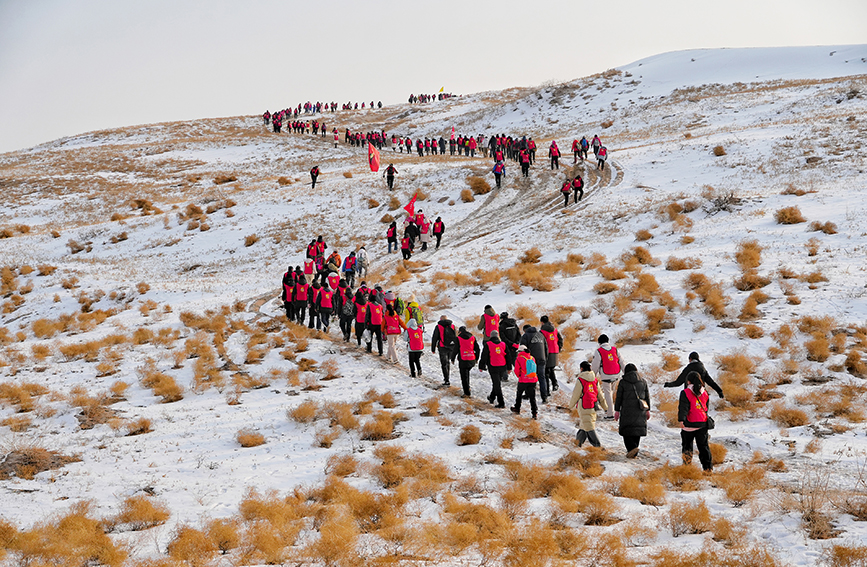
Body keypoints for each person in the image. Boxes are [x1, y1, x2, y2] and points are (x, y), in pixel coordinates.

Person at [614, 363, 651, 458]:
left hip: (627, 410)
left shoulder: (623, 382)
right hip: (640, 409)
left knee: (626, 430)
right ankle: (634, 449)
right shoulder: (643, 381)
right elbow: (647, 397)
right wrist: (648, 410)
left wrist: (617, 410)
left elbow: (619, 397)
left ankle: (632, 448)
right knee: (637, 429)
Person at [678, 371, 713, 472]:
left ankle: (687, 467)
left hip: (689, 424)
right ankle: (708, 468)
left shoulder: (685, 393)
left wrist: (681, 420)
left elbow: (683, 408)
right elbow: (706, 408)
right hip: (702, 423)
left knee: (687, 447)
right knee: (703, 447)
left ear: (688, 381)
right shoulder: (705, 393)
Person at [569, 361, 607, 447]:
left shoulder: (581, 380)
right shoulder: (595, 380)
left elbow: (576, 395)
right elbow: (600, 395)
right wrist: (605, 407)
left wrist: (570, 406)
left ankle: (597, 446)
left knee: (589, 427)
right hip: (593, 405)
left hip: (583, 405)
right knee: (584, 424)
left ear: (581, 369)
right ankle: (578, 443)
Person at [591, 334, 622, 420]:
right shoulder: (615, 349)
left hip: (606, 375)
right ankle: (616, 412)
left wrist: (592, 376)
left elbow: (595, 365)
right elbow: (621, 361)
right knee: (613, 393)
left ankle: (610, 414)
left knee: (608, 394)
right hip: (616, 374)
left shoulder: (599, 351)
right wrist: (626, 372)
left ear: (599, 343)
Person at [520, 324, 549, 403]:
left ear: (525, 330)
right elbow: (546, 348)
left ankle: (528, 394)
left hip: (531, 360)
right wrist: (545, 359)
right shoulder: (540, 335)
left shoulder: (525, 336)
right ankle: (544, 397)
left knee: (529, 376)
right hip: (542, 359)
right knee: (542, 378)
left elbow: (523, 349)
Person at [478, 330, 508, 408]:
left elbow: (484, 356)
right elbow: (508, 356)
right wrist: (509, 367)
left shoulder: (488, 344)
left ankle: (501, 403)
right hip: (502, 366)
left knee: (497, 384)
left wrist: (481, 366)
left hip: (493, 366)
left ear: (491, 336)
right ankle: (492, 397)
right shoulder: (503, 344)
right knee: (497, 382)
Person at [510, 345, 538, 419]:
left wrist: (520, 376)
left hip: (523, 380)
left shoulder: (519, 358)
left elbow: (516, 370)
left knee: (519, 394)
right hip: (533, 379)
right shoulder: (532, 358)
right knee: (532, 397)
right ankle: (534, 412)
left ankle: (517, 408)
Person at [431, 315, 457, 386]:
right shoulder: (452, 326)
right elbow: (455, 337)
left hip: (442, 347)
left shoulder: (438, 326)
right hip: (451, 346)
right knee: (447, 362)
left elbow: (435, 338)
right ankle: (447, 377)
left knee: (444, 363)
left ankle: (446, 379)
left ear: (440, 319)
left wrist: (433, 348)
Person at [539, 316, 562, 393]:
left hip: (546, 352)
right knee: (551, 369)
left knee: (546, 371)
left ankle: (547, 390)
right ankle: (555, 384)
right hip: (555, 351)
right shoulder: (555, 330)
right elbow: (560, 339)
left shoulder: (542, 331)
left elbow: (541, 343)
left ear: (542, 322)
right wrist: (558, 348)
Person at [455, 326, 480, 398]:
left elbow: (456, 349)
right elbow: (477, 349)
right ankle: (467, 387)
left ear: (460, 332)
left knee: (464, 377)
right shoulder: (472, 337)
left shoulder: (458, 338)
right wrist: (476, 358)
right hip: (472, 359)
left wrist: (452, 358)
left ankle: (467, 393)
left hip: (463, 359)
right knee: (466, 374)